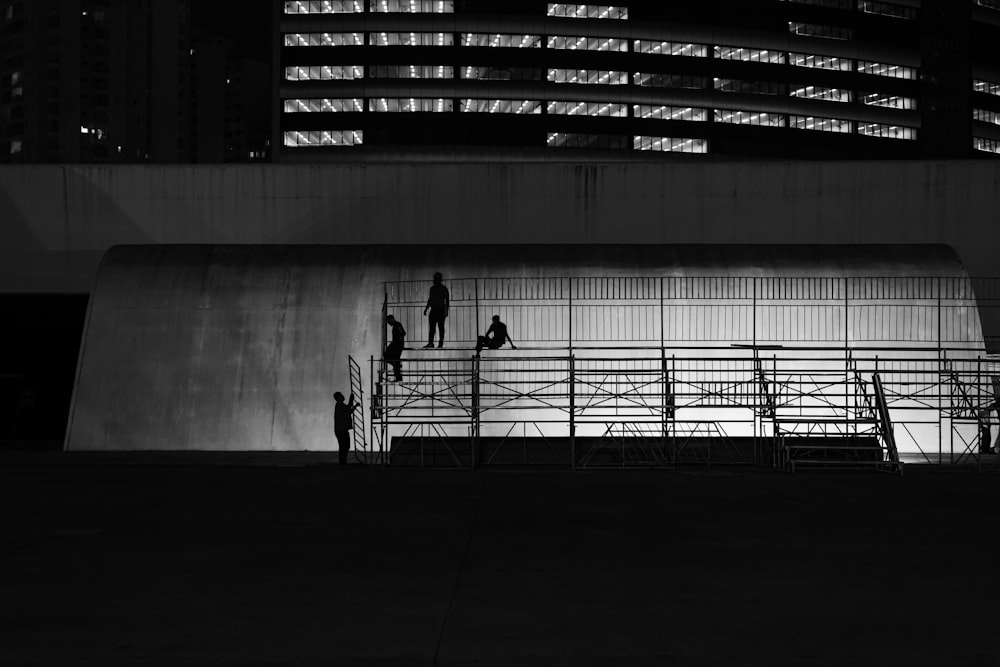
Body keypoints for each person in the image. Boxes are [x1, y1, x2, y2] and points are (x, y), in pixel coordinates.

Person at [422, 272, 450, 348]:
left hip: (440, 310)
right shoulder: (433, 288)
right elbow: (430, 299)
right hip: (434, 310)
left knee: (440, 327)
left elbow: (447, 300)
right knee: (432, 327)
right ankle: (431, 343)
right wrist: (426, 308)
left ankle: (440, 343)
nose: (435, 280)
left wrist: (446, 310)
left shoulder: (443, 288)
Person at [333, 391, 358, 468]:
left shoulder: (340, 405)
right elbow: (348, 408)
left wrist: (355, 406)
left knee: (344, 446)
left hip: (341, 429)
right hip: (341, 430)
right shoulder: (339, 405)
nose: (343, 396)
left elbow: (348, 411)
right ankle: (342, 462)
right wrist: (351, 399)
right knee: (344, 446)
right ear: (338, 398)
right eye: (341, 396)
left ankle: (343, 462)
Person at [385, 314, 406, 381]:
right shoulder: (396, 325)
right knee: (389, 357)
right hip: (395, 344)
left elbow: (403, 333)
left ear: (391, 319)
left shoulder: (397, 325)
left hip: (397, 345)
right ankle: (397, 372)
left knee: (395, 359)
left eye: (389, 322)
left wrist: (399, 339)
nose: (389, 323)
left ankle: (398, 377)